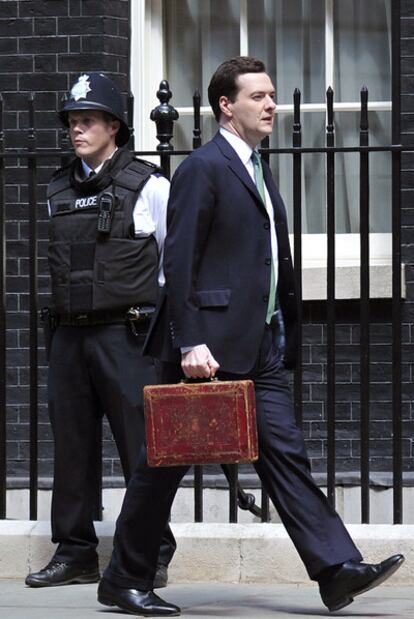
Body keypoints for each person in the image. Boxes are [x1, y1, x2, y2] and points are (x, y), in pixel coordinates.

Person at [97, 58, 404, 617]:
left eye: (271, 96)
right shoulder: (204, 168)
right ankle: (124, 577)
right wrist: (189, 341)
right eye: (258, 96)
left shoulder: (256, 167)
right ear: (225, 106)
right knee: (163, 465)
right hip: (207, 348)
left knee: (286, 454)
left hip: (257, 344)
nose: (271, 105)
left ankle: (335, 569)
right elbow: (179, 263)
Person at [25, 72, 176, 588]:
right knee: (71, 449)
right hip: (68, 335)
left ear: (115, 126)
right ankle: (75, 551)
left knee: (142, 447)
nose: (76, 129)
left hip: (127, 336)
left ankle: (150, 553)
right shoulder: (58, 187)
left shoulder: (149, 184)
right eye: (72, 120)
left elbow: (172, 267)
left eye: (87, 120)